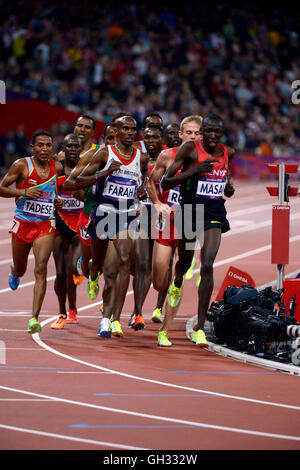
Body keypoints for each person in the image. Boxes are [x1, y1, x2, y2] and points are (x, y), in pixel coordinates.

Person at [161, 113, 235, 347]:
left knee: (208, 263)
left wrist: (228, 188)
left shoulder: (227, 152)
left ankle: (201, 327)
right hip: (189, 209)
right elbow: (165, 182)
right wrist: (195, 170)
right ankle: (178, 278)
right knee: (184, 261)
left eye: (217, 132)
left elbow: (225, 175)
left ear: (221, 134)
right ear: (203, 132)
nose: (212, 136)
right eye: (209, 131)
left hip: (213, 212)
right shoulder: (189, 150)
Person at [76, 115, 148, 338]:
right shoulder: (104, 153)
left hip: (125, 215)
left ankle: (110, 319)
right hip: (102, 214)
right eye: (124, 128)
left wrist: (141, 189)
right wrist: (103, 173)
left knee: (122, 262)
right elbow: (77, 179)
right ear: (115, 131)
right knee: (100, 267)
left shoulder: (140, 157)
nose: (129, 132)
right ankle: (93, 276)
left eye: (132, 129)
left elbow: (143, 178)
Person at [147, 115, 202, 346]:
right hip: (166, 222)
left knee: (177, 277)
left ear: (201, 135)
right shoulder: (167, 155)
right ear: (180, 135)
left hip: (190, 219)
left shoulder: (206, 159)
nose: (192, 136)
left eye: (196, 133)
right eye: (188, 132)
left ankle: (164, 331)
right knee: (159, 281)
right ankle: (166, 288)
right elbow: (150, 182)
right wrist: (158, 203)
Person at [0, 129, 63, 334]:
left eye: (48, 145)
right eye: (40, 145)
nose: (44, 149)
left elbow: (57, 190)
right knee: (21, 269)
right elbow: (2, 188)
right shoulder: (21, 165)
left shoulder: (57, 167)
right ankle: (14, 272)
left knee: (41, 267)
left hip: (44, 225)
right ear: (32, 147)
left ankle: (34, 318)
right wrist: (23, 192)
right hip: (22, 223)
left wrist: (57, 199)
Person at [129, 123, 164, 330]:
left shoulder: (168, 158)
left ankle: (157, 307)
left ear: (161, 140)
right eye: (147, 137)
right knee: (140, 264)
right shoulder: (139, 160)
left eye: (155, 138)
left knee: (159, 266)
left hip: (164, 217)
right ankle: (138, 311)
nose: (151, 141)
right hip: (143, 214)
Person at [50, 133, 84, 328]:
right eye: (69, 146)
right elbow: (47, 190)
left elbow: (90, 192)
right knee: (61, 273)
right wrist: (55, 199)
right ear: (63, 147)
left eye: (76, 146)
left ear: (81, 148)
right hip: (60, 222)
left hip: (79, 222)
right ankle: (63, 312)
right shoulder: (57, 167)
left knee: (72, 266)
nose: (72, 149)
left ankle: (72, 308)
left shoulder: (85, 166)